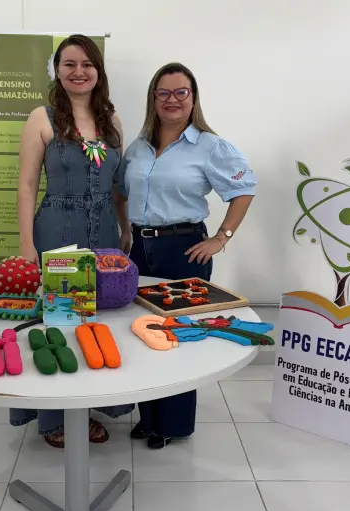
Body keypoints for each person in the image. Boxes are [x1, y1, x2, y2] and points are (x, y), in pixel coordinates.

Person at [116, 62, 257, 449]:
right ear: (153, 98)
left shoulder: (210, 146)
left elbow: (244, 190)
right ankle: (149, 418)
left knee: (177, 335)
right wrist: (125, 231)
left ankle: (173, 424)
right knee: (142, 332)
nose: (172, 100)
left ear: (193, 98)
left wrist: (221, 238)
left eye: (181, 92)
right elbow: (120, 192)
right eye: (163, 93)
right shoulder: (139, 147)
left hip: (183, 250)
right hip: (139, 250)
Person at [12, 34, 133, 448]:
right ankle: (54, 420)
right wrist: (26, 245)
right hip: (58, 233)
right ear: (57, 71)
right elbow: (27, 185)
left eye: (87, 64)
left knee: (99, 322)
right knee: (62, 323)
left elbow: (117, 187)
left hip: (104, 234)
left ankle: (89, 406)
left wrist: (125, 228)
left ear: (98, 71)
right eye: (69, 64)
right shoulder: (41, 118)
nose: (78, 72)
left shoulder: (112, 121)